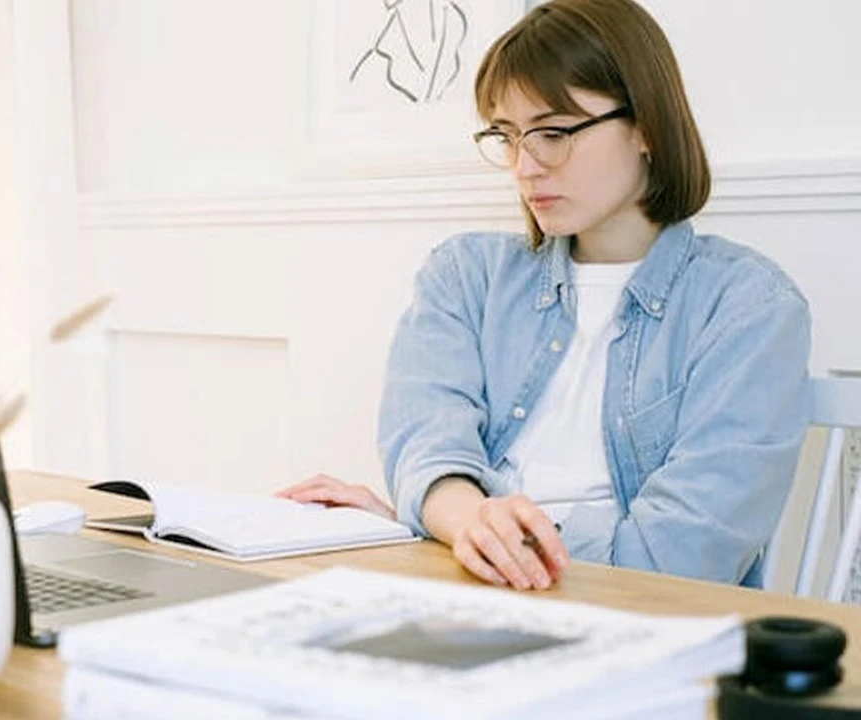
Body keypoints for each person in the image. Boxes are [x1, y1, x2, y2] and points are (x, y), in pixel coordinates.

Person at [278, 0, 810, 591]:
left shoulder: (749, 309)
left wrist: (449, 530)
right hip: (463, 600)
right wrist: (457, 522)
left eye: (553, 133)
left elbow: (677, 558)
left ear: (647, 129)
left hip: (643, 631)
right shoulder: (465, 276)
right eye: (507, 136)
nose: (524, 167)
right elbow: (425, 448)